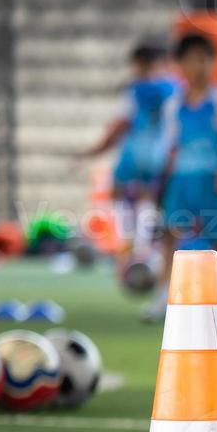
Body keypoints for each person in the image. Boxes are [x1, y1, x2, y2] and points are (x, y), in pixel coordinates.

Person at [144, 33, 217, 322]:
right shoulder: (174, 103)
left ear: (214, 62)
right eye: (191, 59)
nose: (198, 66)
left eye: (204, 59)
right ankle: (161, 296)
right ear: (180, 64)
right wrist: (159, 182)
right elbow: (167, 146)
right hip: (181, 179)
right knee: (169, 236)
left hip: (215, 179)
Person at [80, 38, 178, 277]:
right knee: (148, 198)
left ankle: (126, 247)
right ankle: (143, 250)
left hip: (135, 149)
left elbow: (122, 123)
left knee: (119, 192)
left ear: (142, 63)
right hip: (161, 152)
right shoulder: (175, 88)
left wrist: (95, 150)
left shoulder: (136, 89)